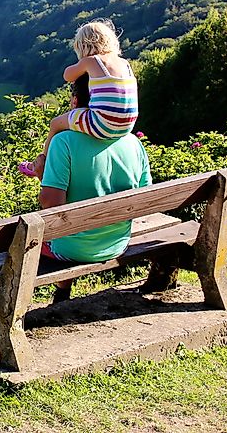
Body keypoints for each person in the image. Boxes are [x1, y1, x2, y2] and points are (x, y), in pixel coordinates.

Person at [37, 74, 151, 302]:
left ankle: (62, 291)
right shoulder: (133, 143)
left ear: (75, 104)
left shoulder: (64, 141)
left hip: (68, 250)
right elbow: (144, 195)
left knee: (31, 237)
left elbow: (50, 203)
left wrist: (42, 173)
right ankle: (62, 291)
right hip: (117, 244)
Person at [20, 19, 139, 178]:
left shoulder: (91, 61)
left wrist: (82, 65)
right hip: (127, 125)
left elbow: (68, 75)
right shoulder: (125, 64)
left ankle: (42, 164)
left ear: (83, 45)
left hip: (102, 123)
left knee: (55, 124)